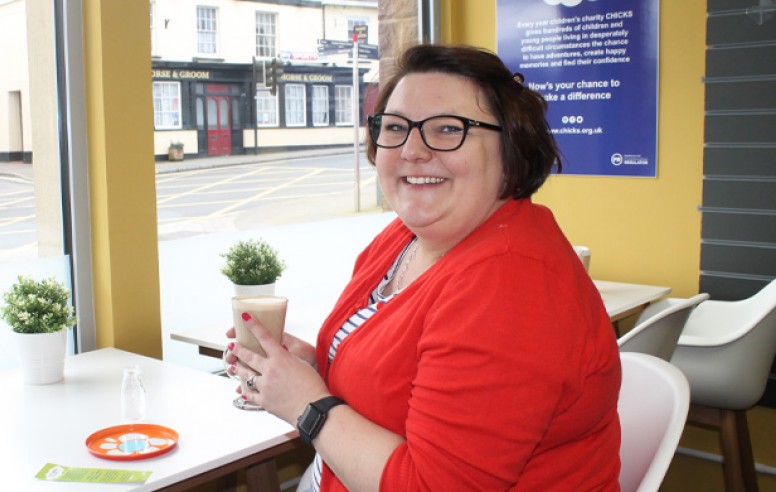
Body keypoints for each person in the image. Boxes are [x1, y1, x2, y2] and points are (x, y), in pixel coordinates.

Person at [226, 43, 621, 491]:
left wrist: (306, 403)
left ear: (512, 147)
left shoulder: (510, 288)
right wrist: (314, 369)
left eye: (448, 129)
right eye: (395, 127)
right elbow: (406, 380)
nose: (412, 149)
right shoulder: (409, 236)